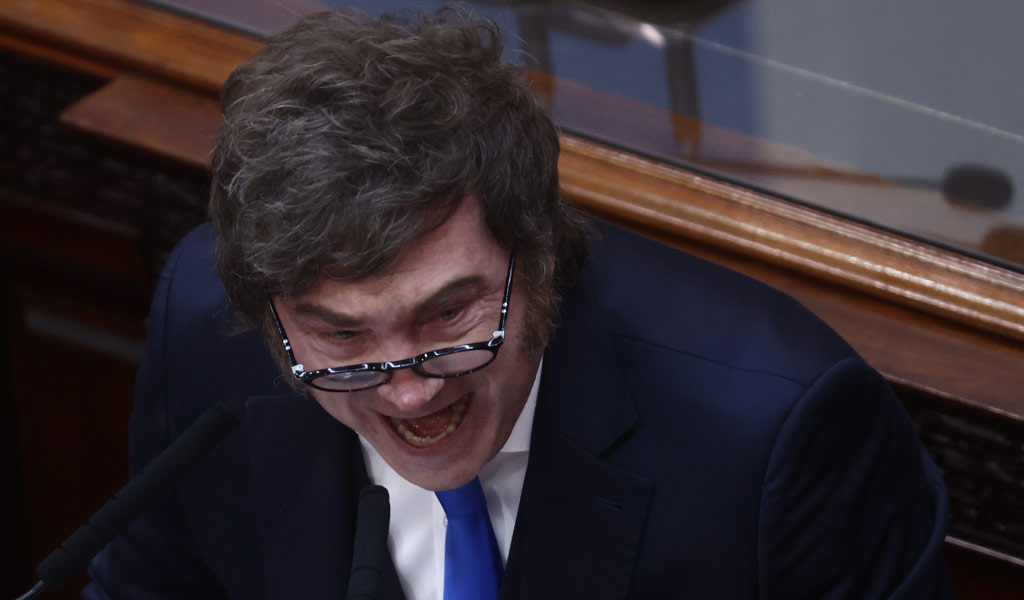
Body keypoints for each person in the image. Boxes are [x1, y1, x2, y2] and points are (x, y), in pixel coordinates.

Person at [84, 6, 953, 599]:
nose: (408, 392)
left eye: (449, 316)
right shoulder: (207, 324)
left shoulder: (777, 436)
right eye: (340, 334)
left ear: (537, 253)